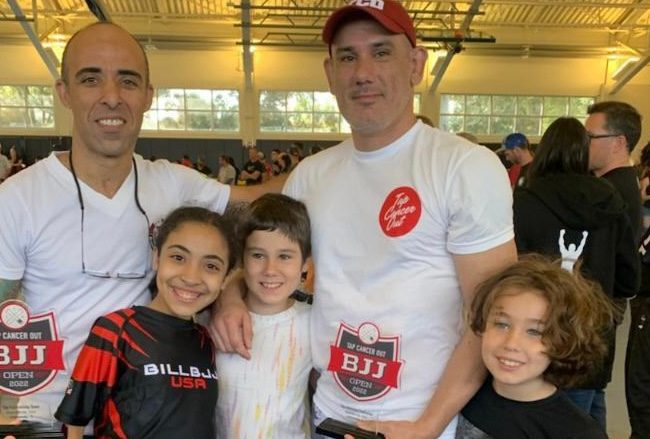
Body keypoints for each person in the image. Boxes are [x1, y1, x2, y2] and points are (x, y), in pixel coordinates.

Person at [213, 2, 516, 438]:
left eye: (381, 52)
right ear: (330, 73)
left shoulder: (463, 167)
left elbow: (493, 313)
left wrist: (427, 425)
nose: (362, 72)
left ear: (416, 65)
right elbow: (266, 261)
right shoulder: (310, 176)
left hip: (421, 423)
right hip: (326, 417)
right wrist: (230, 296)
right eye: (347, 57)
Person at [0, 21, 281, 430]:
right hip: (49, 422)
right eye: (91, 79)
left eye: (128, 81)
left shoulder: (172, 184)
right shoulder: (18, 198)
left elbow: (256, 201)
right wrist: (6, 416)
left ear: (148, 96)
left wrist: (231, 290)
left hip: (150, 421)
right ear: (64, 92)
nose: (112, 97)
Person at [54, 206, 235, 438]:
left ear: (225, 279)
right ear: (157, 259)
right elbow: (75, 420)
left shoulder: (205, 340)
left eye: (211, 266)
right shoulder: (115, 330)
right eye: (178, 257)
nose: (191, 277)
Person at [513, 117, 639, 428]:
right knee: (588, 413)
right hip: (592, 335)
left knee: (550, 422)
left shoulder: (524, 202)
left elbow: (510, 272)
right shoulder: (610, 200)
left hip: (539, 333)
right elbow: (628, 278)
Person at [456, 256, 612, 439]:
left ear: (564, 341)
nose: (511, 343)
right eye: (502, 324)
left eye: (534, 332)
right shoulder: (462, 396)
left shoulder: (578, 433)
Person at [216, 193, 312, 438]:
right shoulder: (214, 318)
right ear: (242, 259)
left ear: (305, 263)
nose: (270, 270)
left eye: (285, 256)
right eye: (258, 255)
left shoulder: (312, 322)